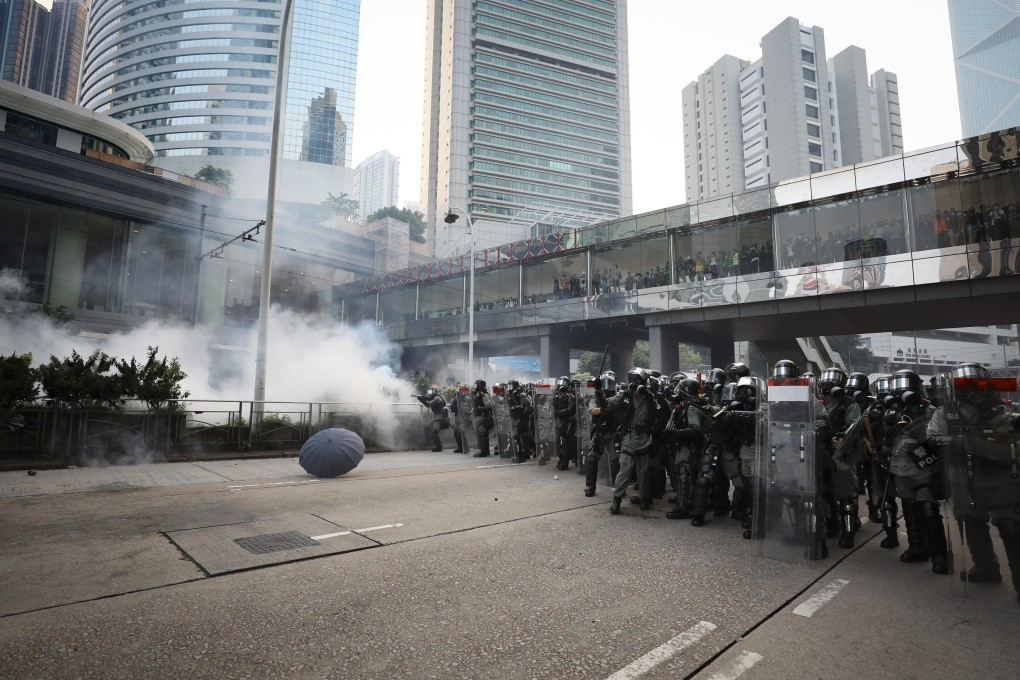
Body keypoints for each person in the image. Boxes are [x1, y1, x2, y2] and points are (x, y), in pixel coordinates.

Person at [929, 363, 1020, 601]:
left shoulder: (1000, 410)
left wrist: (980, 440)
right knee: (972, 524)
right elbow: (933, 438)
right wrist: (960, 441)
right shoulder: (945, 412)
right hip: (962, 479)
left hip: (999, 480)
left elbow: (1012, 439)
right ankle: (986, 568)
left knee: (1011, 528)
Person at [887, 369, 949, 575]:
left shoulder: (930, 410)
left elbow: (938, 435)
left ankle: (940, 554)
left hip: (924, 466)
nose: (899, 388)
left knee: (928, 508)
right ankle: (917, 547)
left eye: (904, 382)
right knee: (909, 508)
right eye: (896, 383)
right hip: (900, 466)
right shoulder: (891, 409)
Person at [592, 368, 659, 514]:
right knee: (625, 470)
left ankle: (644, 498)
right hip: (628, 438)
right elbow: (606, 405)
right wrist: (598, 390)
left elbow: (660, 410)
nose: (633, 384)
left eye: (636, 381)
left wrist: (651, 392)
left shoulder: (649, 397)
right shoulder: (624, 396)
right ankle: (617, 500)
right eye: (631, 381)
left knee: (644, 473)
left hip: (644, 440)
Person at [819, 366, 864, 548]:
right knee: (825, 492)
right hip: (822, 453)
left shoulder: (849, 404)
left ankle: (848, 531)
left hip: (841, 455)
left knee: (845, 495)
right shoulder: (819, 402)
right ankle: (831, 524)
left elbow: (854, 428)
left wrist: (842, 438)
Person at [583, 371, 621, 497]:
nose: (607, 386)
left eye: (609, 383)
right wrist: (603, 409)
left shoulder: (617, 397)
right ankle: (590, 486)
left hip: (613, 433)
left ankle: (619, 487)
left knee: (616, 460)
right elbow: (593, 411)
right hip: (599, 432)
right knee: (592, 458)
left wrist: (606, 406)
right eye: (604, 383)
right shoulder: (595, 398)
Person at [507, 379, 535, 461]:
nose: (510, 388)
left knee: (523, 437)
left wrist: (513, 408)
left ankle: (524, 454)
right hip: (516, 418)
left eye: (511, 386)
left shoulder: (521, 395)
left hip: (523, 418)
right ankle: (524, 453)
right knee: (518, 437)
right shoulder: (511, 395)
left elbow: (523, 406)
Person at [553, 376, 577, 471]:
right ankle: (561, 459)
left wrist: (559, 413)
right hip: (558, 422)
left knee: (566, 443)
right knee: (557, 443)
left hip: (567, 423)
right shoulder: (556, 396)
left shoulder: (570, 396)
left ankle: (564, 462)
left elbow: (571, 409)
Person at [415, 387, 448, 452]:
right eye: (429, 392)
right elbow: (429, 399)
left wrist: (421, 399)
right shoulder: (435, 398)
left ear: (434, 392)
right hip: (436, 415)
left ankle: (439, 447)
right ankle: (429, 442)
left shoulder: (437, 398)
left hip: (440, 416)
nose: (429, 393)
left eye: (431, 392)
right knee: (427, 428)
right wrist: (423, 397)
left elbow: (428, 404)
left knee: (434, 432)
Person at [472, 379, 494, 457]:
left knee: (483, 432)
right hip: (479, 415)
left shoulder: (483, 394)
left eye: (477, 385)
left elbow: (489, 406)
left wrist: (479, 409)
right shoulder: (478, 394)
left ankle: (484, 451)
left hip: (483, 415)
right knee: (482, 433)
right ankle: (486, 450)